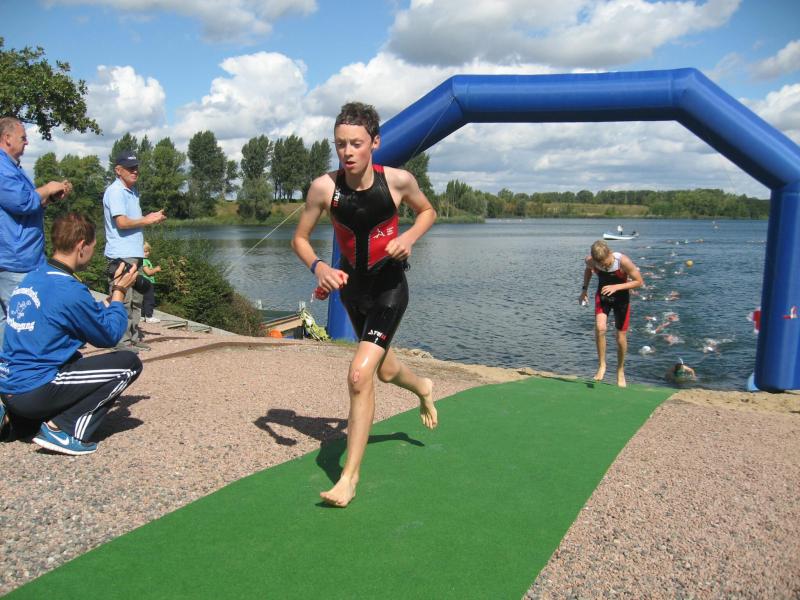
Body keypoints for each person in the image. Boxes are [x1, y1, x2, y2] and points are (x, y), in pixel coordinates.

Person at [291, 101, 438, 508]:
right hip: (353, 292)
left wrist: (408, 238)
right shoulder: (324, 188)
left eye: (356, 143)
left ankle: (349, 478)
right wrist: (320, 267)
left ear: (374, 142)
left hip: (390, 288)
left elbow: (427, 212)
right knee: (384, 371)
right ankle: (423, 386)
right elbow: (300, 239)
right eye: (340, 144)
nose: (348, 152)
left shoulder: (398, 181)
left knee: (359, 376)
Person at [0, 212, 143, 454]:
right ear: (81, 246)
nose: (92, 252)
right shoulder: (69, 288)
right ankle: (64, 430)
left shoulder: (34, 277)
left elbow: (67, 314)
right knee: (128, 364)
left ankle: (14, 420)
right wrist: (119, 292)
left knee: (74, 358)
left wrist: (107, 304)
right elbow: (109, 336)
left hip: (9, 385)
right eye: (93, 246)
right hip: (33, 389)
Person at [0, 116, 73, 348]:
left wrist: (50, 197)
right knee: (21, 320)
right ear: (7, 138)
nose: (27, 142)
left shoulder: (12, 167)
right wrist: (48, 187)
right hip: (14, 259)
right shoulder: (2, 168)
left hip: (21, 257)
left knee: (10, 321)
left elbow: (28, 205)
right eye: (23, 137)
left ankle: (8, 364)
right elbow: (21, 202)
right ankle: (18, 366)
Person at [102, 151, 166, 352]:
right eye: (130, 168)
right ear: (118, 170)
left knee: (136, 300)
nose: (135, 171)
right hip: (121, 255)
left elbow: (133, 221)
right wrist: (147, 219)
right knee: (122, 298)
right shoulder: (115, 191)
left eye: (136, 167)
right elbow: (121, 223)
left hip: (134, 254)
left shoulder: (132, 191)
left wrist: (149, 218)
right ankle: (120, 341)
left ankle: (133, 337)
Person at [579, 240, 644, 387]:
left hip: (621, 299)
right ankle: (602, 365)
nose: (604, 266)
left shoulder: (623, 261)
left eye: (606, 263)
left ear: (610, 253)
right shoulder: (591, 261)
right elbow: (588, 270)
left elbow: (639, 281)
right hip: (603, 298)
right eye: (600, 264)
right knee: (600, 328)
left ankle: (620, 370)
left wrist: (617, 287)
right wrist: (584, 290)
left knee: (620, 336)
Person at [140, 241, 162, 323]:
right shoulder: (144, 261)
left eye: (148, 251)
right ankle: (149, 316)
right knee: (150, 299)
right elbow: (148, 272)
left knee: (143, 299)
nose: (147, 253)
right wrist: (156, 269)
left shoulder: (143, 260)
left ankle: (142, 316)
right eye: (145, 251)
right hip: (147, 283)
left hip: (143, 282)